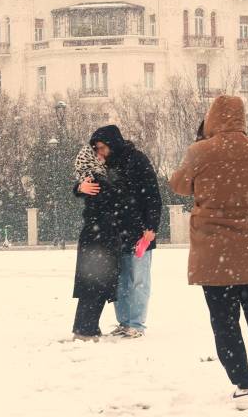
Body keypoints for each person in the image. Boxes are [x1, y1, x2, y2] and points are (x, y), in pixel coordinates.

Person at [169, 96, 248, 409]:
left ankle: (243, 384)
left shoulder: (200, 151)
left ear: (212, 119)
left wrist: (199, 153)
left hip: (214, 253)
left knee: (225, 322)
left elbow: (179, 185)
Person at [78, 125, 162, 339]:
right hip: (115, 233)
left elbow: (152, 195)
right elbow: (88, 184)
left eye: (102, 147)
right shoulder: (103, 165)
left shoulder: (137, 160)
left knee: (138, 278)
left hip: (140, 231)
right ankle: (124, 322)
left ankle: (136, 324)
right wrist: (78, 188)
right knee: (121, 280)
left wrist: (151, 227)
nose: (99, 153)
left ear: (113, 143)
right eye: (96, 149)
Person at [71, 146, 123, 341]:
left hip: (96, 236)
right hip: (100, 238)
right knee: (96, 284)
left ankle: (85, 327)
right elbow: (115, 199)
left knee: (93, 283)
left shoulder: (90, 177)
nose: (102, 156)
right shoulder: (96, 179)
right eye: (98, 154)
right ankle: (86, 329)